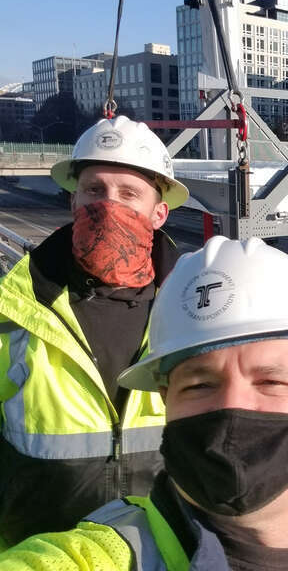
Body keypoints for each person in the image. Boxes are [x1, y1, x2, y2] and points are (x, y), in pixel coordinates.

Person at [0, 236, 288, 570]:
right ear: (166, 405)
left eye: (272, 381)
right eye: (200, 385)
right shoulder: (97, 559)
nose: (232, 408)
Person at [0, 115, 189, 548]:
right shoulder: (12, 312)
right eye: (93, 190)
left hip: (157, 552)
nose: (108, 205)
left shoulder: (192, 315)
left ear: (158, 213)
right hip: (36, 551)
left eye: (128, 194)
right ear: (73, 201)